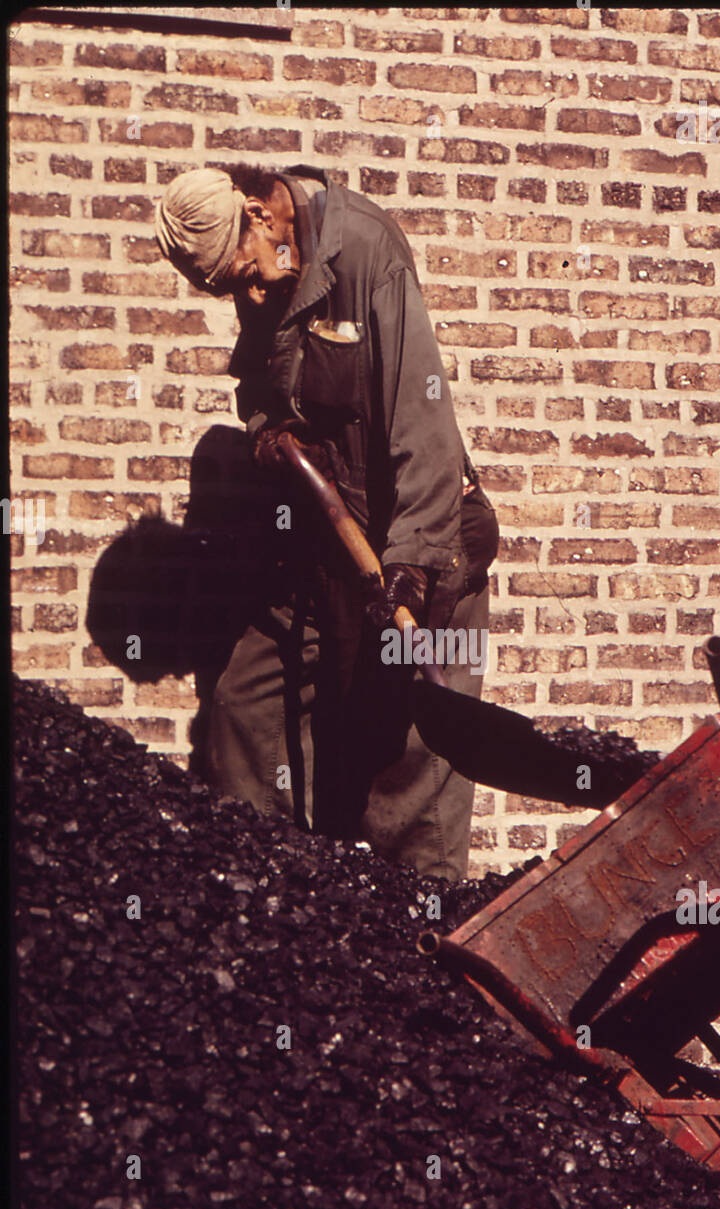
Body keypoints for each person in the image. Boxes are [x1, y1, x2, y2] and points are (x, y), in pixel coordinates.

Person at [153, 164, 499, 880]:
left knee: (408, 763)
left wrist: (410, 567)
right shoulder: (265, 265)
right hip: (324, 544)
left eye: (245, 273)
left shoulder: (366, 251)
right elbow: (258, 376)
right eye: (229, 288)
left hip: (418, 540)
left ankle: (422, 943)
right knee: (245, 707)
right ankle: (272, 906)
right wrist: (265, 427)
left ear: (259, 212)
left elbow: (422, 423)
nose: (250, 295)